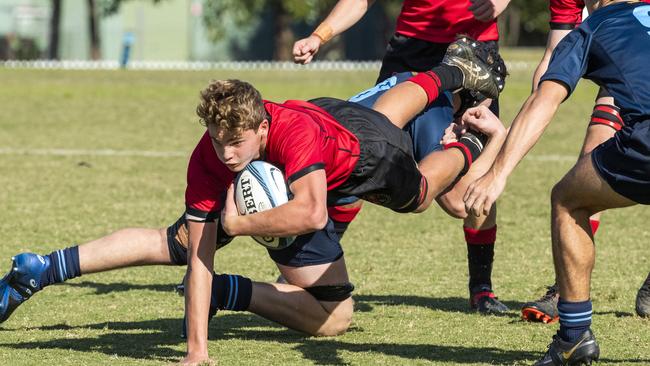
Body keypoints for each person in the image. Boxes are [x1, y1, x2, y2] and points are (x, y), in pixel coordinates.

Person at [0, 38, 505, 365]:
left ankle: (470, 136)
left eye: (236, 143)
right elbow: (198, 256)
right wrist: (196, 354)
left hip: (360, 157)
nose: (226, 154)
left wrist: (239, 225)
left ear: (262, 127)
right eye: (217, 141)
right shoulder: (212, 154)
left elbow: (311, 212)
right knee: (178, 241)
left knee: (416, 197)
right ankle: (44, 268)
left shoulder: (294, 135)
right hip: (329, 126)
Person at [293, 0, 512, 314]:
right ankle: (311, 262)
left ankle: (482, 290)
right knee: (358, 152)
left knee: (466, 194)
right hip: (412, 53)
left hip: (473, 55)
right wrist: (319, 36)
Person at [462, 1, 650, 364]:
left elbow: (543, 101)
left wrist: (497, 174)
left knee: (568, 200)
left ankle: (574, 336)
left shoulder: (592, 26)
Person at [520, 0, 650, 324]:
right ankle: (566, 289)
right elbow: (556, 50)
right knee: (591, 161)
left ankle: (574, 331)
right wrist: (537, 103)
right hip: (622, 66)